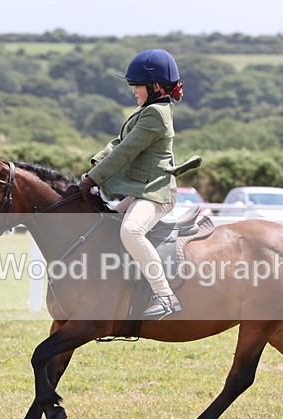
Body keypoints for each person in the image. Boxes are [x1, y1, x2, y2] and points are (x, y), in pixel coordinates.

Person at [80, 49, 201, 320]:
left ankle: (164, 296)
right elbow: (119, 142)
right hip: (141, 190)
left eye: (137, 85)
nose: (133, 90)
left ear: (156, 87)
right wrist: (96, 162)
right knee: (105, 224)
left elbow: (126, 152)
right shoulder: (146, 110)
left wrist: (94, 178)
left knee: (131, 231)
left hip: (156, 192)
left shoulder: (156, 114)